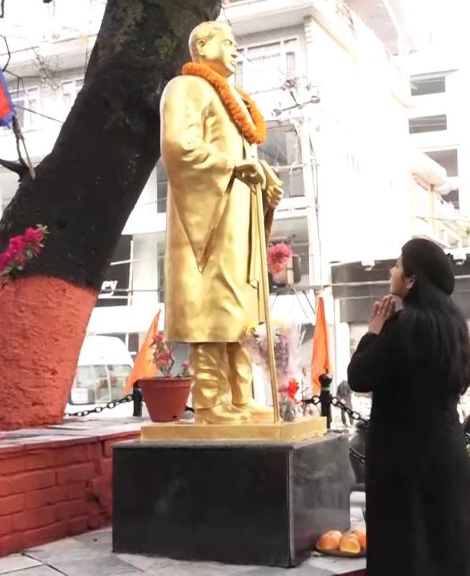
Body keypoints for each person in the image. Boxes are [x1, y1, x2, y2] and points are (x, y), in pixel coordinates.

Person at [160, 21, 283, 424]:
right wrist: (233, 165)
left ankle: (241, 397)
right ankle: (212, 402)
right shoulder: (186, 87)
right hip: (208, 217)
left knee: (240, 307)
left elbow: (246, 160)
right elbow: (179, 146)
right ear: (201, 46)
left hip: (238, 217)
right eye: (227, 42)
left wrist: (264, 179)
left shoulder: (236, 100)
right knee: (212, 303)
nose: (235, 50)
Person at [347, 238, 470, 576]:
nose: (391, 271)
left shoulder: (402, 327)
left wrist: (373, 331)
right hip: (446, 455)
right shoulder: (454, 327)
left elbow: (359, 377)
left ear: (412, 279)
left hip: (403, 463)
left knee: (405, 555)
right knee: (445, 551)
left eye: (397, 265)